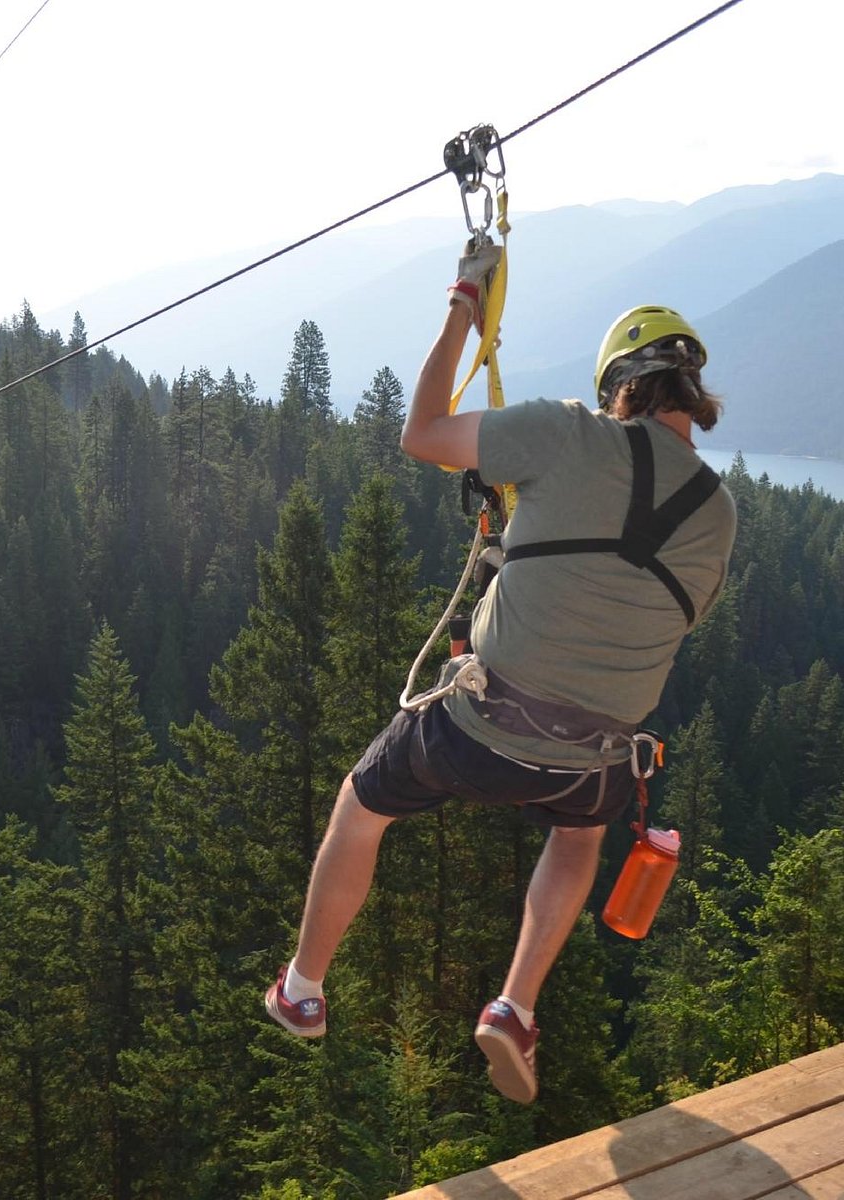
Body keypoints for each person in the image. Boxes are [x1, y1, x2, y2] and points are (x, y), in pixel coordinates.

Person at [263, 241, 738, 1105]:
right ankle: (515, 1008)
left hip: (478, 728)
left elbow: (423, 433)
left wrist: (464, 307)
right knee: (579, 836)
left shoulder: (566, 432)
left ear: (620, 388)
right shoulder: (719, 512)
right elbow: (667, 612)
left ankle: (301, 989)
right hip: (598, 759)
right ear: (690, 399)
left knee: (361, 806)